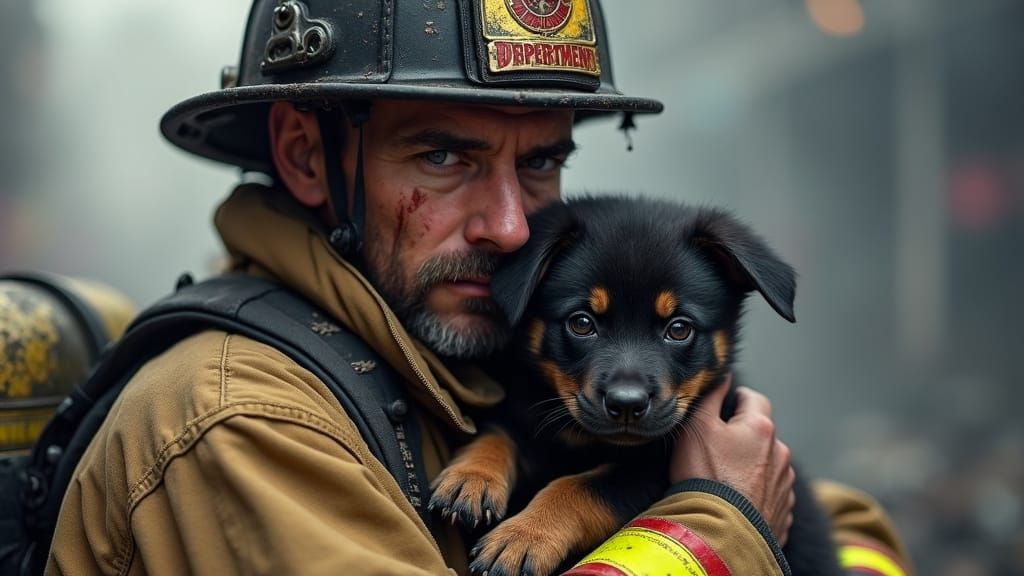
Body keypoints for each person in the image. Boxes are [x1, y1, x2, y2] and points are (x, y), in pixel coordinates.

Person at [47, 1, 913, 574]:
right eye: (444, 156)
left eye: (540, 162)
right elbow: (733, 504)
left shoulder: (441, 352)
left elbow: (803, 504)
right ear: (308, 156)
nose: (508, 226)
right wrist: (718, 528)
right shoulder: (240, 424)